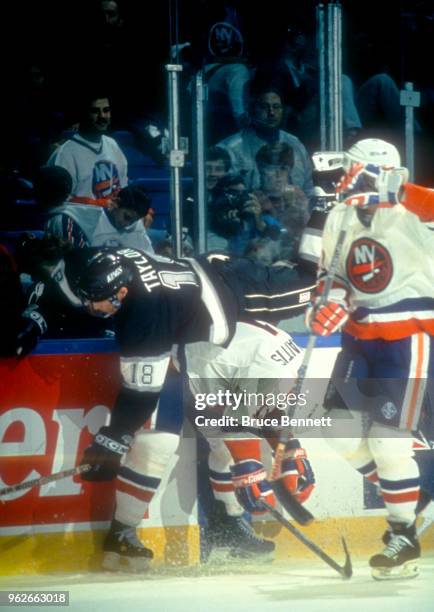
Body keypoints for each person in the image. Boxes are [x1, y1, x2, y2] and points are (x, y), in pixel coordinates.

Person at [50, 246, 314, 570]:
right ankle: (122, 534)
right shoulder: (112, 263)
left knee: (208, 446)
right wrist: (112, 439)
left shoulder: (146, 313)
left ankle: (226, 527)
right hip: (196, 334)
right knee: (160, 443)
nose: (89, 305)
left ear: (121, 291)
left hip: (196, 343)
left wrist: (111, 439)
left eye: (96, 299)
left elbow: (148, 395)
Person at [306, 137, 434, 580]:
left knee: (387, 440)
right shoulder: (340, 214)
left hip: (409, 336)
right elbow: (333, 274)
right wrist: (328, 304)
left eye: (353, 170)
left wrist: (392, 187)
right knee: (330, 426)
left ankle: (402, 534)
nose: (344, 178)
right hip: (358, 338)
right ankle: (412, 492)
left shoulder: (414, 210)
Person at [217, 86, 313, 195]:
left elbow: (308, 190)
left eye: (276, 107)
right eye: (264, 107)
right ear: (252, 110)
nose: (271, 113)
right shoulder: (230, 149)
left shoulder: (295, 145)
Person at [47, 92, 128, 207]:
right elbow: (57, 204)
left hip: (109, 221)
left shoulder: (112, 145)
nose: (102, 116)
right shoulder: (65, 154)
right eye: (95, 111)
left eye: (106, 110)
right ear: (83, 114)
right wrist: (95, 204)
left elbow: (123, 189)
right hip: (79, 221)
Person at [45, 182, 154, 252]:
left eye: (133, 221)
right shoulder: (87, 217)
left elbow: (149, 257)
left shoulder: (136, 225)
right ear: (115, 203)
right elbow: (76, 260)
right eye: (126, 217)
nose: (127, 224)